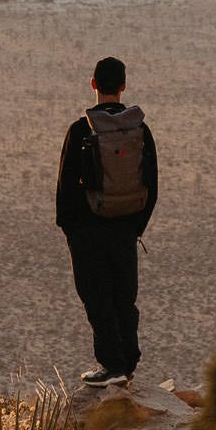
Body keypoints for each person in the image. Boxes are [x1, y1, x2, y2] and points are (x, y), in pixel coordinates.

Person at [55, 55, 158, 387]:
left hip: (88, 230)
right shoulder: (139, 130)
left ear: (93, 84)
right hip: (125, 227)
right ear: (123, 87)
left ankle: (112, 366)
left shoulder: (80, 130)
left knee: (96, 296)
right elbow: (152, 185)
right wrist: (135, 226)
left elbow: (65, 188)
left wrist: (72, 230)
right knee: (123, 297)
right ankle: (127, 361)